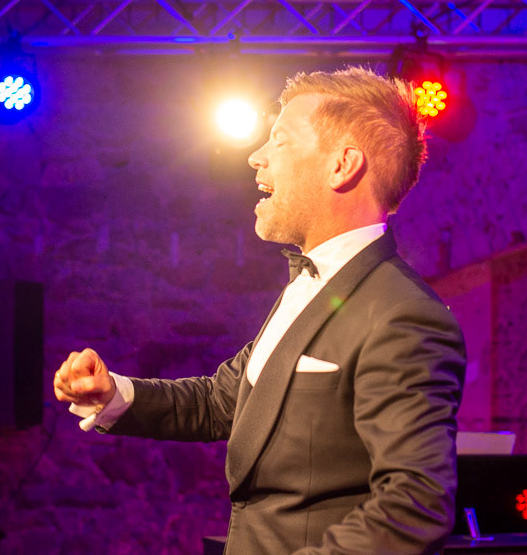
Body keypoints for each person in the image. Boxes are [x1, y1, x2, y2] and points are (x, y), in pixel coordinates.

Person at [54, 67, 466, 554]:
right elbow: (221, 402)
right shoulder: (309, 285)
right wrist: (113, 394)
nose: (256, 156)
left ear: (342, 165)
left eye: (280, 141)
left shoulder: (404, 316)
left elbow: (414, 507)